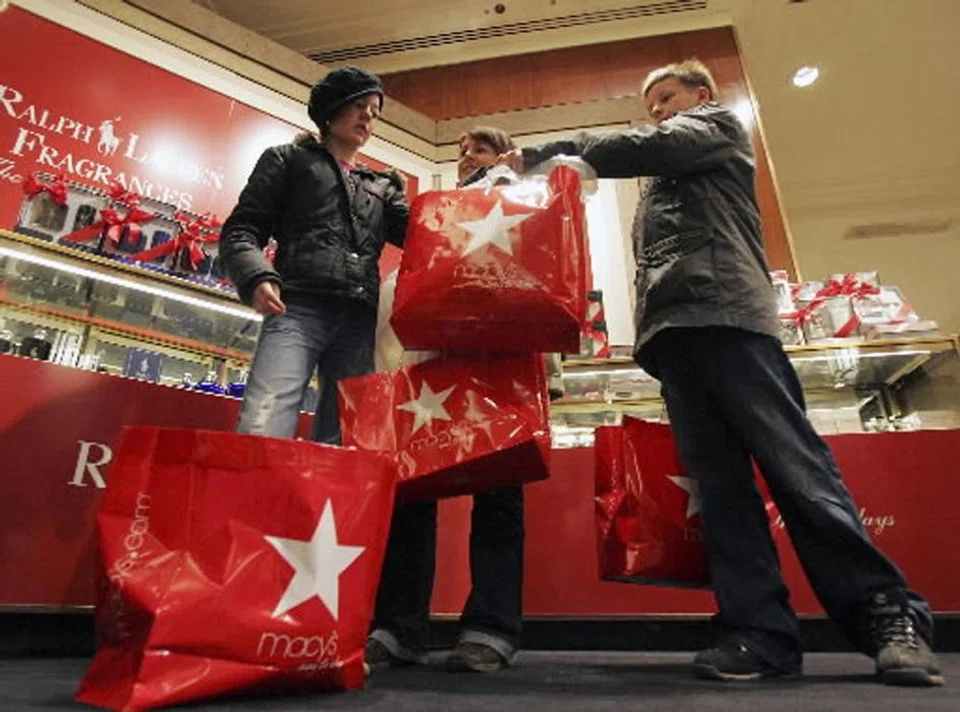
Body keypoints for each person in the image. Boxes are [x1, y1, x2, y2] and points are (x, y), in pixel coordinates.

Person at [500, 59, 942, 686]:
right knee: (722, 493)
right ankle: (758, 633)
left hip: (733, 321)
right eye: (650, 102)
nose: (657, 110)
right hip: (675, 340)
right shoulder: (662, 182)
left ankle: (888, 616)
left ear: (701, 96)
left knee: (799, 474)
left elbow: (652, 145)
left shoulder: (714, 129)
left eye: (667, 96)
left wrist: (559, 149)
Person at [366, 127, 532, 674]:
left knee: (498, 494)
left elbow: (533, 277)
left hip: (496, 359)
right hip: (427, 365)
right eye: (462, 153)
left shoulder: (520, 201)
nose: (467, 161)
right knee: (413, 490)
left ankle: (492, 626)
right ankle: (400, 625)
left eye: (479, 151)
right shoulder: (435, 216)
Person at [219, 67, 408, 445]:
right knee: (265, 419)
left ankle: (327, 506)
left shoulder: (384, 187)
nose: (369, 116)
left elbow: (427, 235)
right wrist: (256, 276)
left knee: (344, 437)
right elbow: (241, 229)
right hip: (296, 307)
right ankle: (255, 502)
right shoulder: (287, 160)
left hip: (359, 320)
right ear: (331, 108)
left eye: (375, 110)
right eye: (359, 105)